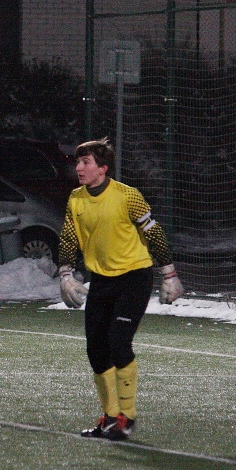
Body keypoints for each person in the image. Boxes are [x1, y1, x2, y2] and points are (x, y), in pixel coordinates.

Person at [58, 138, 184, 441]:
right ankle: (110, 417)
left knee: (118, 342)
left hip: (134, 278)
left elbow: (153, 233)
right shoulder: (76, 199)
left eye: (86, 162)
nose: (79, 168)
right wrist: (65, 274)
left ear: (103, 168)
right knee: (95, 349)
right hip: (101, 280)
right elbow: (68, 237)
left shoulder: (128, 196)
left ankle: (127, 418)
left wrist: (169, 273)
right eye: (78, 162)